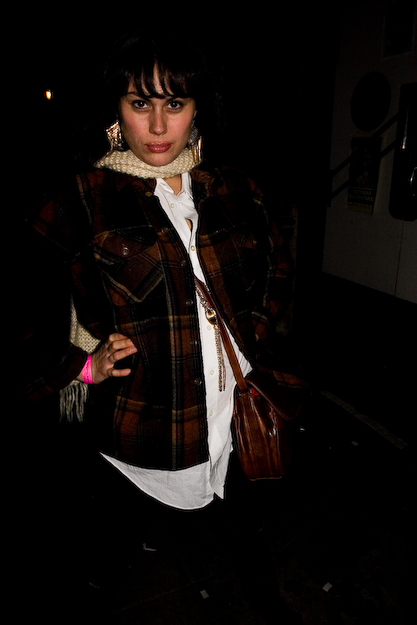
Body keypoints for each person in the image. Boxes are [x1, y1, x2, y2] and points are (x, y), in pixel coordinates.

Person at [22, 32, 299, 620]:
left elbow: (277, 265)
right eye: (139, 102)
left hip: (235, 418)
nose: (156, 125)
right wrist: (80, 366)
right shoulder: (85, 196)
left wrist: (256, 334)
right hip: (141, 428)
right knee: (105, 559)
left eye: (174, 103)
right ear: (116, 110)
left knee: (251, 543)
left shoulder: (233, 188)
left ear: (197, 108)